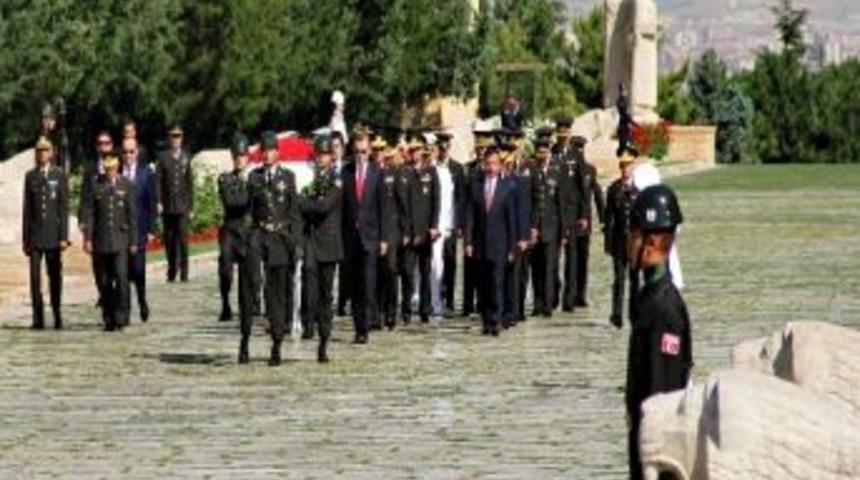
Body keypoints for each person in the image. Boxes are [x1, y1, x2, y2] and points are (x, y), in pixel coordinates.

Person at [624, 184, 692, 480]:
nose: (628, 241)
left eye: (633, 234)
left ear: (649, 242)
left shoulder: (663, 309)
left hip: (657, 452)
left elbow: (662, 393)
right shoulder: (649, 296)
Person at [242, 131, 302, 365]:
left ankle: (277, 343)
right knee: (254, 281)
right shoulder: (254, 178)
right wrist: (246, 236)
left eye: (270, 151)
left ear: (277, 152)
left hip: (279, 236)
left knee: (277, 291)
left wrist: (296, 243)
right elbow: (249, 211)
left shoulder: (288, 177)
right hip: (259, 233)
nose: (267, 155)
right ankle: (251, 322)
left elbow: (294, 213)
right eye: (264, 151)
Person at [299, 135, 344, 362]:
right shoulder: (313, 179)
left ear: (331, 157)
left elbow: (325, 206)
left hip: (330, 243)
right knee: (310, 288)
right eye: (318, 155)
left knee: (326, 295)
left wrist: (302, 203)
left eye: (324, 155)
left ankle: (324, 341)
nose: (320, 158)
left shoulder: (336, 179)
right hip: (312, 242)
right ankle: (309, 322)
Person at [81, 155, 137, 331]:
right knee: (103, 281)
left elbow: (132, 215)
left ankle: (121, 315)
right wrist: (88, 238)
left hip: (121, 240)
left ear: (117, 168)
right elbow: (89, 213)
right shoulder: (95, 184)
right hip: (101, 240)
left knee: (121, 277)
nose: (110, 172)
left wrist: (133, 241)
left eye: (112, 169)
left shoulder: (126, 185)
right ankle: (108, 316)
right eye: (107, 169)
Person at [465, 148, 517, 336]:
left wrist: (512, 247)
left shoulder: (506, 188)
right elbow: (470, 216)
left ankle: (495, 319)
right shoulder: (476, 186)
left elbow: (511, 220)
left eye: (494, 164)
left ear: (500, 165)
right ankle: (486, 319)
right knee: (483, 284)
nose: (491, 167)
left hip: (500, 244)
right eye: (488, 164)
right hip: (480, 243)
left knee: (496, 282)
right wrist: (468, 242)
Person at [341, 130, 384, 344]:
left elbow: (383, 207)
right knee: (354, 284)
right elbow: (341, 207)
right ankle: (358, 325)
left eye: (364, 151)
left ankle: (365, 327)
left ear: (369, 151)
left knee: (368, 283)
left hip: (370, 235)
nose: (360, 155)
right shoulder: (346, 172)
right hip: (350, 237)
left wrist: (383, 238)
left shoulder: (377, 173)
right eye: (356, 151)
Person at [22, 137, 69, 330]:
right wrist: (26, 239)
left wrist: (64, 236)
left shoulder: (59, 175)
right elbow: (27, 210)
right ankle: (37, 316)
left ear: (51, 152)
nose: (42, 154)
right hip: (35, 235)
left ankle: (57, 312)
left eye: (45, 150)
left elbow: (63, 209)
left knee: (54, 275)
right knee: (34, 278)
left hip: (53, 235)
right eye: (39, 151)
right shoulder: (31, 176)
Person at [531, 135, 572, 318]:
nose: (542, 155)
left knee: (549, 266)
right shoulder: (532, 171)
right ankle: (537, 303)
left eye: (544, 151)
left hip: (552, 226)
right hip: (534, 227)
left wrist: (564, 232)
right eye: (539, 152)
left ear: (549, 152)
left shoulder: (557, 171)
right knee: (537, 267)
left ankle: (547, 304)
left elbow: (561, 203)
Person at [79, 131, 117, 307]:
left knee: (114, 262)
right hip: (95, 222)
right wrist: (83, 221)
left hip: (114, 220)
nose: (104, 147)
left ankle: (113, 292)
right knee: (97, 263)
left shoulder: (119, 165)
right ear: (96, 146)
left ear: (111, 145)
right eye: (100, 143)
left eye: (107, 143)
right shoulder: (90, 169)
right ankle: (103, 292)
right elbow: (85, 197)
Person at [121, 137, 158, 323]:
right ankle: (125, 310)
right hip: (121, 231)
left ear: (137, 152)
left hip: (141, 229)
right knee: (123, 273)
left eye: (131, 151)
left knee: (138, 270)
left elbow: (152, 202)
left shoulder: (146, 173)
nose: (128, 155)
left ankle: (142, 299)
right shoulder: (117, 172)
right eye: (125, 152)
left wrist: (152, 229)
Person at [217, 135, 253, 322]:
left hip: (247, 230)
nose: (240, 159)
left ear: (248, 157)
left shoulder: (254, 178)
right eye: (236, 155)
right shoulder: (225, 179)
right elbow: (232, 202)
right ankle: (225, 303)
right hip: (231, 230)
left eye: (243, 155)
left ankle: (250, 304)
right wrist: (250, 195)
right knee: (225, 270)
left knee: (250, 274)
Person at [604, 144, 640, 328]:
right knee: (618, 279)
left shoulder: (639, 191)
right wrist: (608, 244)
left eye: (628, 166)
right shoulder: (614, 190)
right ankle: (616, 314)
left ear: (633, 166)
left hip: (634, 244)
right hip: (618, 243)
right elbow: (608, 218)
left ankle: (634, 313)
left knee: (635, 281)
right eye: (622, 166)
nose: (625, 169)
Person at [378, 145, 410, 330]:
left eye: (390, 157)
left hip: (392, 228)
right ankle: (378, 311)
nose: (387, 159)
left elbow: (403, 204)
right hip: (376, 227)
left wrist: (406, 230)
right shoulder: (377, 173)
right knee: (378, 271)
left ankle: (391, 311)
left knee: (391, 270)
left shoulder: (397, 175)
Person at [461, 130, 493, 317]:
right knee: (469, 266)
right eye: (478, 148)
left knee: (484, 267)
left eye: (484, 148)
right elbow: (463, 200)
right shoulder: (468, 169)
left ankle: (483, 304)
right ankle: (466, 305)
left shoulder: (493, 169)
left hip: (488, 224)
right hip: (471, 221)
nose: (481, 151)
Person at [156, 124, 194, 282]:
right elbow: (158, 182)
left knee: (183, 240)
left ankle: (184, 272)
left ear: (182, 138)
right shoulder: (163, 157)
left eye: (178, 136)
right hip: (168, 206)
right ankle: (172, 269)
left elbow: (189, 184)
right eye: (173, 136)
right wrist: (158, 201)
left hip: (183, 207)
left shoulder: (186, 157)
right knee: (170, 240)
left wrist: (191, 207)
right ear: (169, 138)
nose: (176, 139)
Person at [409, 137, 441, 323]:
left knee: (426, 269)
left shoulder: (431, 172)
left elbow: (436, 201)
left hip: (426, 228)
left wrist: (434, 226)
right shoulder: (405, 171)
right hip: (411, 230)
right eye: (412, 150)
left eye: (418, 150)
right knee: (407, 270)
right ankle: (407, 305)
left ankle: (425, 307)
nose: (415, 154)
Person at [435, 132, 467, 313]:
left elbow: (461, 198)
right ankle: (437, 294)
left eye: (446, 147)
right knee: (435, 261)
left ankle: (450, 298)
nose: (443, 150)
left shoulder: (457, 169)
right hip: (437, 221)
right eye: (440, 147)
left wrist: (459, 223)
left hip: (451, 222)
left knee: (450, 261)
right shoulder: (433, 167)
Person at [571, 136, 604, 308]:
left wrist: (604, 218)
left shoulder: (590, 170)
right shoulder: (567, 170)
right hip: (570, 221)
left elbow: (597, 193)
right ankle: (570, 293)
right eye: (576, 149)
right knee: (572, 259)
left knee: (583, 259)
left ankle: (580, 294)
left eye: (581, 149)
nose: (579, 153)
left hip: (585, 223)